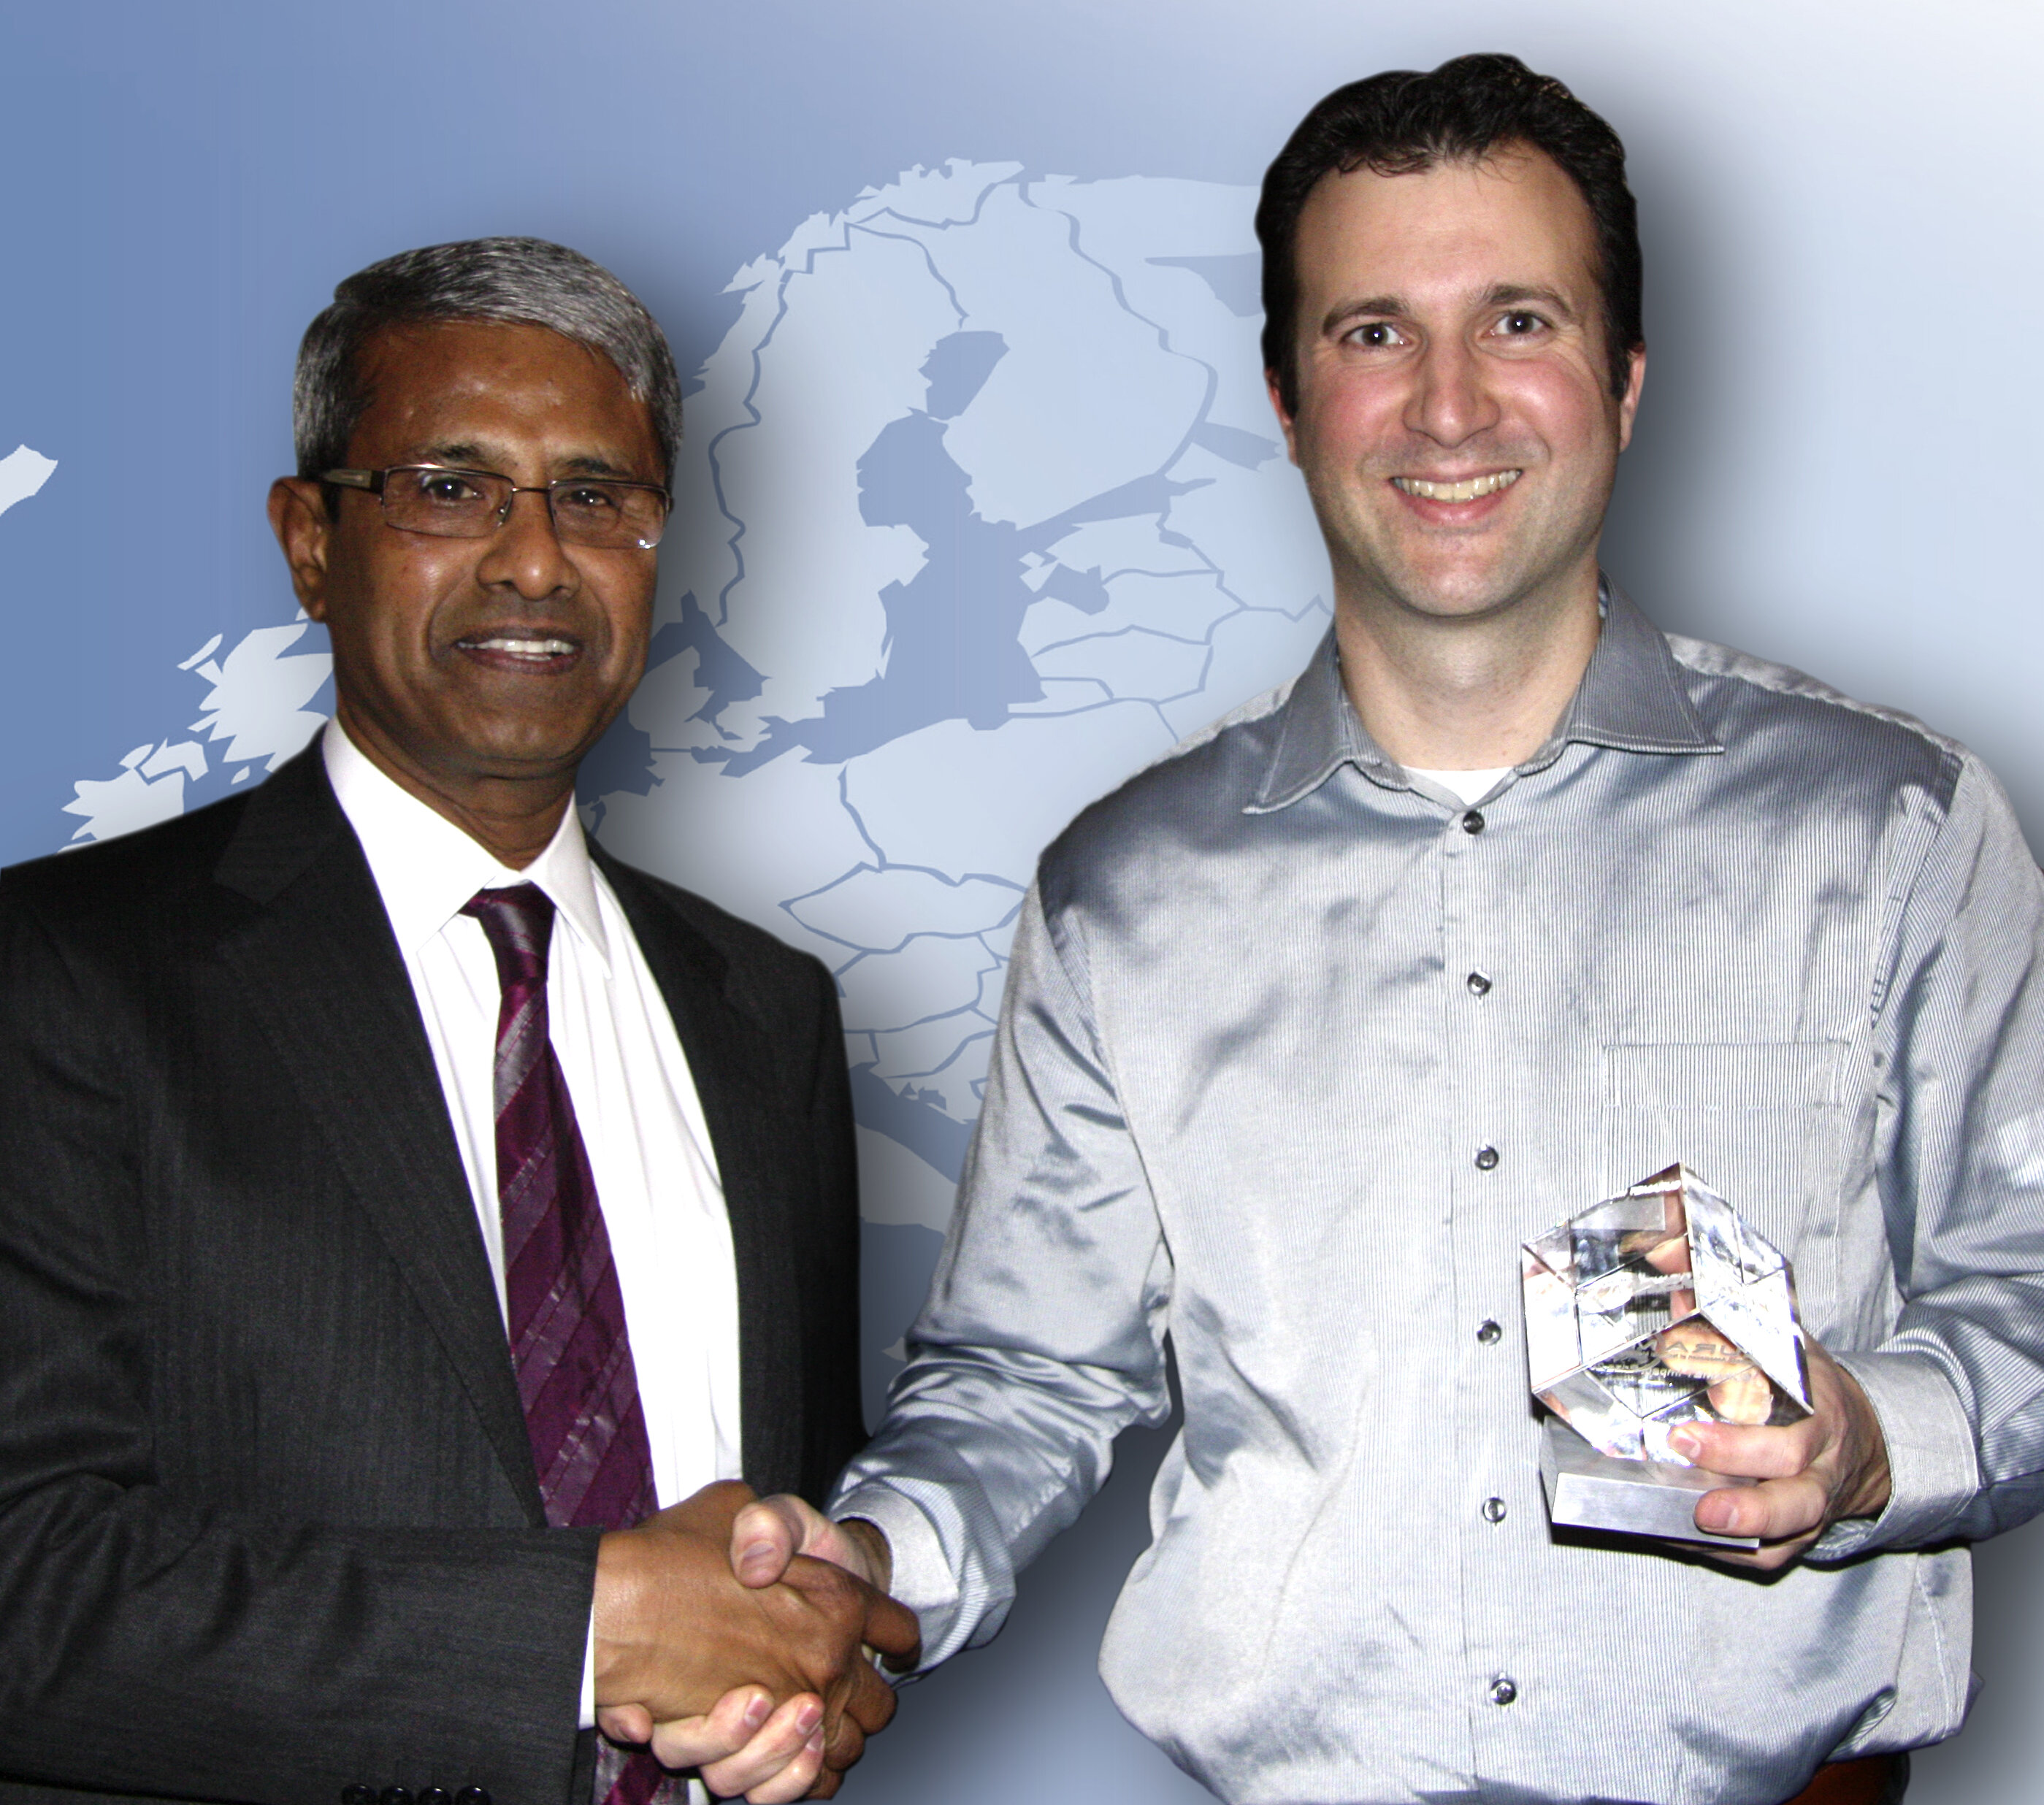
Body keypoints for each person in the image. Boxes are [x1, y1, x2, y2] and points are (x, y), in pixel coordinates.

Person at [712, 54, 2044, 1805]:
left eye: (1516, 322)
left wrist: (1869, 1441)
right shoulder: (1119, 895)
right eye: (1370, 334)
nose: (1445, 407)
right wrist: (867, 1565)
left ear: (1625, 380)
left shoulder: (1893, 826)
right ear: (1284, 398)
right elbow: (1026, 1376)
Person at [0, 237, 916, 1805]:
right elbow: (26, 1588)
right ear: (309, 542)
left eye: (596, 497)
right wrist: (589, 1632)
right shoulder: (61, 976)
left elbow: (779, 1558)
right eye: (449, 488)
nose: (536, 562)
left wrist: (812, 1669)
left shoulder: (768, 1017)